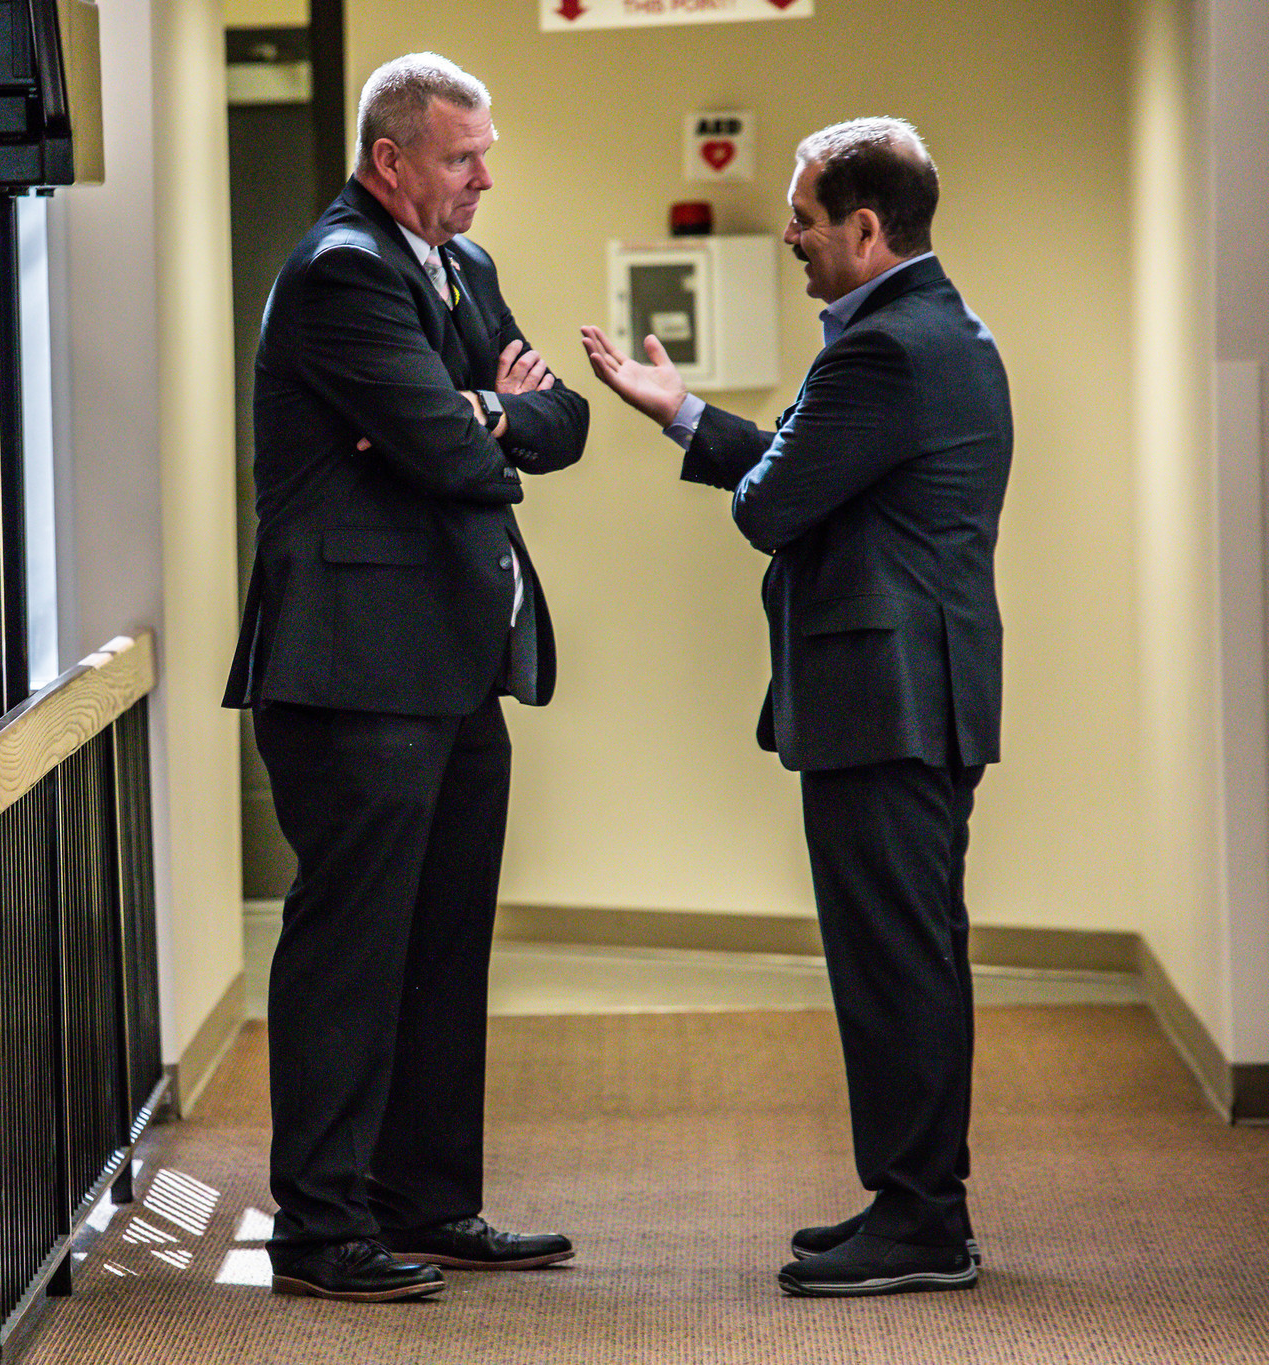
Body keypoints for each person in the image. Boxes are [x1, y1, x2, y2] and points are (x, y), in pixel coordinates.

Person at [582, 116, 1012, 1297]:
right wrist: (682, 415)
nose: (789, 235)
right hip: (913, 694)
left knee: (894, 965)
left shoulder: (880, 349)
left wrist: (748, 462)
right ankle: (912, 1202)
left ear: (865, 229)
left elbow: (771, 503)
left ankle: (922, 1223)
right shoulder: (927, 331)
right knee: (902, 956)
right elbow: (807, 467)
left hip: (888, 701)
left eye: (806, 218)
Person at [223, 52, 589, 1303]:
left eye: (484, 150)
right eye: (458, 155)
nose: (483, 176)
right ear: (389, 161)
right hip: (349, 676)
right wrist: (479, 414)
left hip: (449, 665)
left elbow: (562, 425)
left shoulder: (462, 267)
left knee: (441, 945)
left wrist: (478, 412)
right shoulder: (337, 274)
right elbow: (452, 454)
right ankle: (319, 1233)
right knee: (349, 955)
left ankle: (427, 1203)